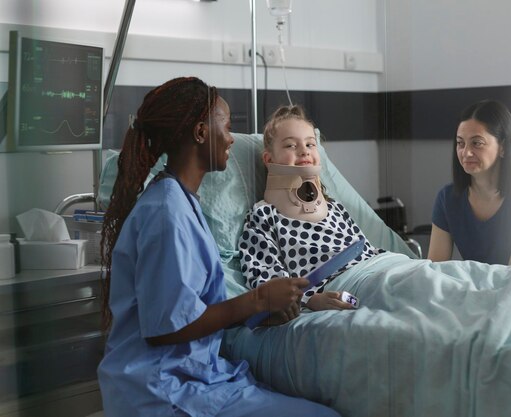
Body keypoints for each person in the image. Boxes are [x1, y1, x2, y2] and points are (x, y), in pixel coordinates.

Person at [97, 77, 340, 417]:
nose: (230, 139)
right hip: (161, 391)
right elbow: (167, 327)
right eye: (226, 128)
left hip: (193, 378)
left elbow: (191, 305)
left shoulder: (182, 202)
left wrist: (259, 315)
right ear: (200, 133)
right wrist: (257, 298)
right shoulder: (166, 213)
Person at [238, 105, 383, 312]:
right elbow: (264, 279)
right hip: (344, 287)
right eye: (290, 146)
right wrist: (309, 300)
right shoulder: (264, 215)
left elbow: (367, 252)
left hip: (376, 271)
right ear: (269, 159)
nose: (304, 150)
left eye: (310, 144)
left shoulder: (335, 208)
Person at [427, 99, 511, 265]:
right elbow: (435, 269)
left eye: (477, 143)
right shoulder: (446, 198)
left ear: (503, 147)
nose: (466, 152)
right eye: (460, 143)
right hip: (476, 288)